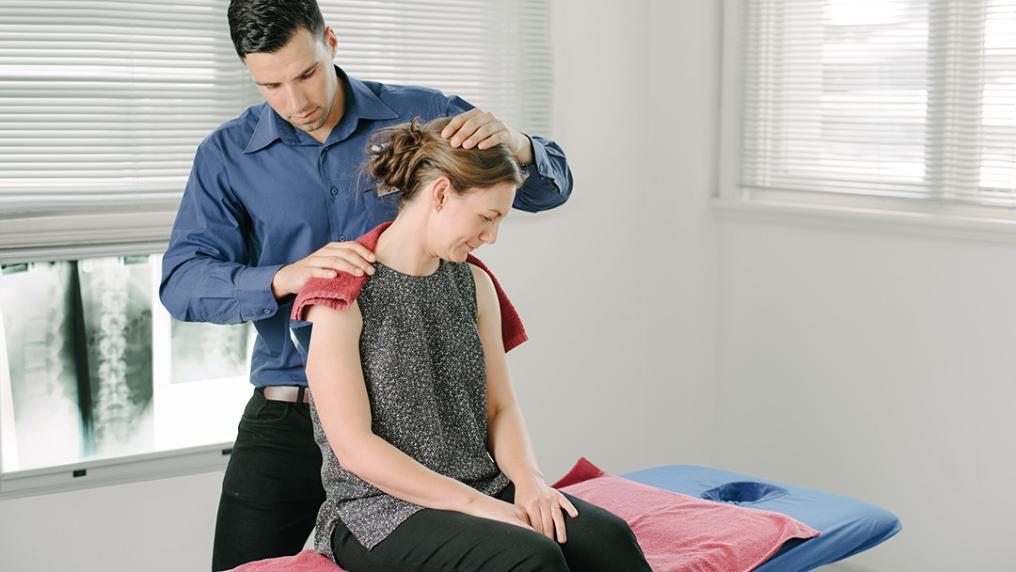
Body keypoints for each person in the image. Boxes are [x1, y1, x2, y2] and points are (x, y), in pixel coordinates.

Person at [157, 0, 573, 569]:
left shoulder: (422, 114)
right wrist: (285, 277)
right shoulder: (225, 156)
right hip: (290, 411)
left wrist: (520, 145)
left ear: (331, 39)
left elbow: (545, 187)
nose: (296, 102)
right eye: (271, 85)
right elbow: (182, 283)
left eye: (306, 73)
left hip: (422, 427)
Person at [293, 117, 650, 572]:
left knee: (606, 538)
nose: (492, 236)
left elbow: (501, 407)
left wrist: (529, 482)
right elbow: (355, 449)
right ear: (440, 194)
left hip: (478, 481)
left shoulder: (474, 282)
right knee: (531, 555)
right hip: (378, 510)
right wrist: (480, 507)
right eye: (487, 217)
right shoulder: (343, 292)